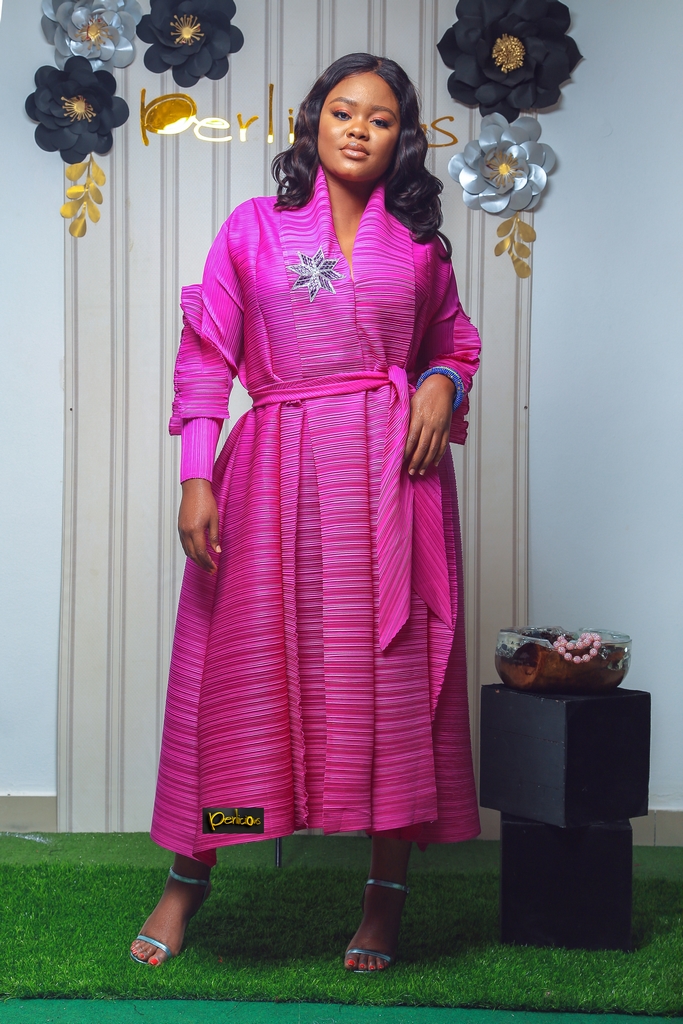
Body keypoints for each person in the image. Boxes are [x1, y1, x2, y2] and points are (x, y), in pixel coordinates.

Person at [130, 51, 481, 973]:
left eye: (379, 118)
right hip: (275, 470)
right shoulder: (253, 227)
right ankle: (193, 871)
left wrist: (440, 383)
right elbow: (207, 353)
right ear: (312, 124)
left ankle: (383, 892)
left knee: (392, 681)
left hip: (393, 481)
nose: (358, 128)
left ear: (402, 139)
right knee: (244, 681)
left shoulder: (420, 247)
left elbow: (453, 344)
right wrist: (196, 475)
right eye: (342, 111)